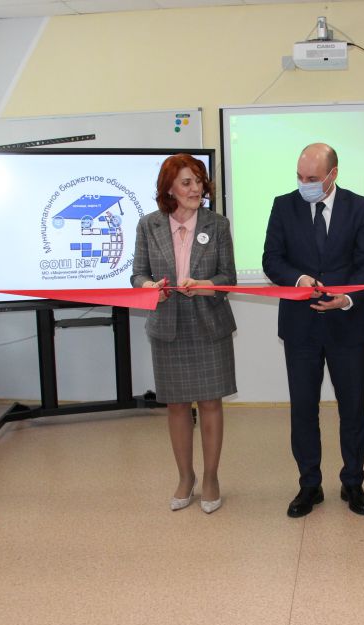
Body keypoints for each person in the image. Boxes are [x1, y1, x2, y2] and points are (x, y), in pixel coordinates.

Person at [262, 143, 364, 518]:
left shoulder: (360, 207)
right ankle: (309, 485)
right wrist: (299, 280)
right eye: (299, 177)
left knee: (353, 410)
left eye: (312, 178)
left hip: (348, 325)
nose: (304, 184)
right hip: (300, 327)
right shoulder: (284, 206)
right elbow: (271, 259)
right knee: (303, 410)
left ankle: (353, 482)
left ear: (333, 174)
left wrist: (346, 298)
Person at [131, 154, 237, 515]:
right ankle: (185, 476)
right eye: (187, 183)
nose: (196, 189)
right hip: (168, 324)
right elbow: (137, 275)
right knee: (176, 405)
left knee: (210, 403)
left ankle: (210, 477)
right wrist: (150, 288)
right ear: (169, 189)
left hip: (208, 322)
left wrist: (204, 284)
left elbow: (228, 279)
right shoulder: (149, 225)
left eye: (199, 182)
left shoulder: (217, 225)